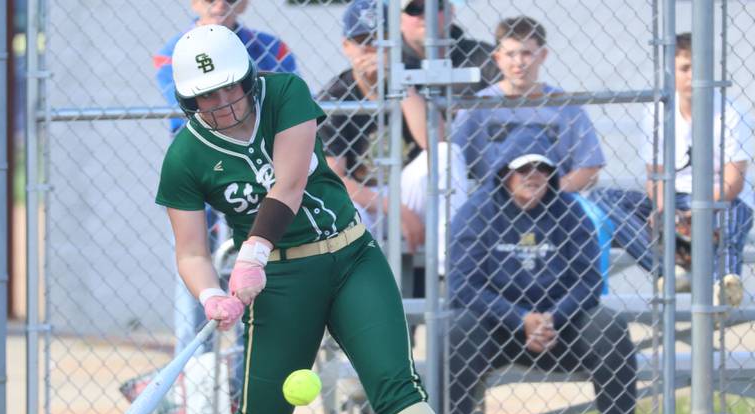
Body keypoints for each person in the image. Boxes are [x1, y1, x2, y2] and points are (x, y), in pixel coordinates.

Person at [122, 24, 479, 414]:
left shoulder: (285, 93)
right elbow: (192, 252)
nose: (223, 103)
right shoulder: (185, 157)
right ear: (188, 100)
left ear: (247, 78)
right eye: (207, 96)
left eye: (229, 87)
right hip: (281, 284)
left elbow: (288, 185)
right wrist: (211, 295)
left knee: (397, 387)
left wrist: (251, 253)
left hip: (350, 258)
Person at [447, 130, 638, 414]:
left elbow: (589, 280)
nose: (533, 176)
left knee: (610, 327)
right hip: (497, 327)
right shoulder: (477, 211)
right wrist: (519, 318)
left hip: (559, 327)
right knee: (457, 330)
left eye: (542, 169)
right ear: (505, 173)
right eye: (523, 169)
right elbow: (463, 285)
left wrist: (551, 318)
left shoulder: (569, 211)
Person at [154, 0, 298, 356]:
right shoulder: (173, 52)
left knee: (251, 265)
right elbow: (191, 114)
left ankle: (246, 367)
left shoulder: (272, 48)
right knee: (196, 262)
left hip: (257, 175)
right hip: (204, 174)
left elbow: (278, 105)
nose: (219, 2)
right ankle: (197, 371)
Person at [590, 32, 754, 307]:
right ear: (671, 71)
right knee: (602, 198)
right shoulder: (657, 112)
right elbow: (655, 176)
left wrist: (698, 210)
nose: (692, 76)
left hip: (718, 199)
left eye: (699, 68)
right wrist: (665, 209)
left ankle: (723, 283)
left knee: (736, 212)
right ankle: (672, 270)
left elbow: (732, 183)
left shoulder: (731, 114)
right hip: (674, 199)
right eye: (685, 68)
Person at [317, 0, 479, 275]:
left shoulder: (413, 77)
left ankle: (450, 273)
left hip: (408, 192)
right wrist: (394, 209)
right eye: (363, 41)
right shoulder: (336, 96)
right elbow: (333, 178)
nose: (373, 49)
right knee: (342, 206)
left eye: (381, 40)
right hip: (365, 200)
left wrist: (399, 81)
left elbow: (435, 143)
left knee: (448, 154)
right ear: (347, 46)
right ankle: (359, 285)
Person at [452, 16, 605, 194]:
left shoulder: (566, 106)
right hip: (495, 202)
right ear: (497, 58)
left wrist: (545, 193)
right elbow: (453, 163)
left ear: (543, 55)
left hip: (555, 203)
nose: (519, 62)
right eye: (510, 54)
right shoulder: (478, 107)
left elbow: (589, 170)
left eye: (527, 53)